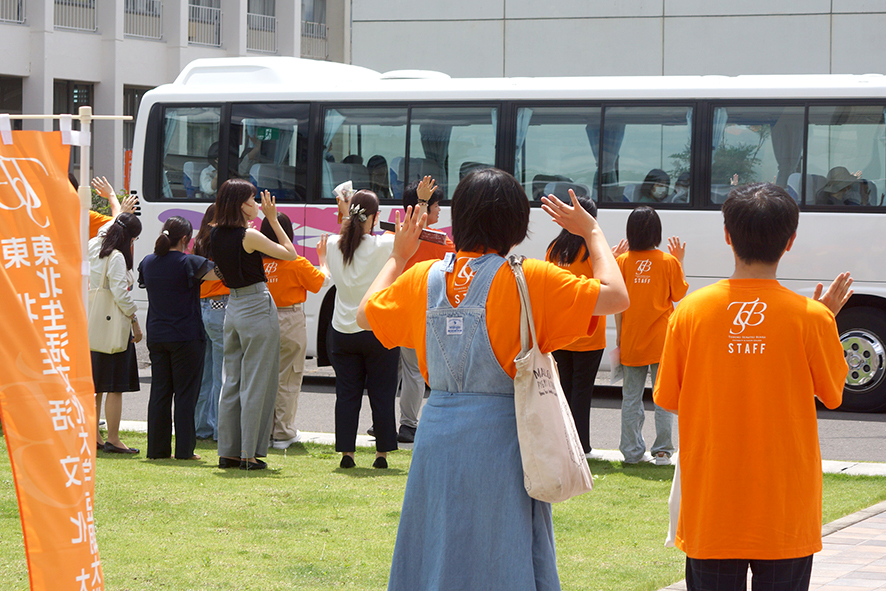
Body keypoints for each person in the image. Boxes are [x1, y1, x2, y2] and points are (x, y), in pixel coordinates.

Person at [356, 168, 629, 590]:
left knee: (439, 543)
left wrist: (398, 255)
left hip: (439, 433)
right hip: (505, 434)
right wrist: (592, 232)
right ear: (517, 225)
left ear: (458, 217)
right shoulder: (529, 278)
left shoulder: (422, 278)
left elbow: (364, 313)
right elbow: (616, 296)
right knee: (502, 548)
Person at [653, 183, 852, 591]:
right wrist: (825, 321)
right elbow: (832, 393)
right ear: (790, 241)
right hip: (784, 506)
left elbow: (668, 398)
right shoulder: (811, 318)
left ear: (727, 235)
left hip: (712, 504)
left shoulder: (689, 312)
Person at [210, 178, 297, 470]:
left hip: (233, 306)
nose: (257, 205)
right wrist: (273, 219)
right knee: (258, 381)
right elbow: (290, 253)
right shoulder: (248, 235)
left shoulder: (215, 234)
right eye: (252, 200)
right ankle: (248, 454)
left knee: (231, 381)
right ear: (240, 204)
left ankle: (229, 452)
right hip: (256, 305)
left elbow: (220, 271)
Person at [325, 189, 400, 469]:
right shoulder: (383, 245)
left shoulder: (333, 243)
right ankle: (381, 454)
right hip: (377, 328)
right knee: (382, 392)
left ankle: (347, 453)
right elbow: (408, 238)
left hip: (342, 331)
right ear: (376, 217)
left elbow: (347, 231)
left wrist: (346, 211)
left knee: (347, 393)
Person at [138, 216, 218, 460]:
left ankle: (157, 450)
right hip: (186, 335)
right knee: (185, 395)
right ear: (186, 239)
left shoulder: (148, 262)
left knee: (160, 393)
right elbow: (221, 275)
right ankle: (184, 450)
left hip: (157, 334)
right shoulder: (190, 262)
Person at [615, 206, 688, 465]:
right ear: (657, 231)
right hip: (662, 341)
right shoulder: (668, 261)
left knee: (631, 399)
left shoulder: (622, 262)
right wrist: (678, 260)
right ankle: (662, 451)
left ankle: (632, 453)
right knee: (663, 397)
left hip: (632, 340)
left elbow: (616, 304)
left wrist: (619, 340)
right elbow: (679, 295)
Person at [392, 177, 455, 443]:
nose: (440, 211)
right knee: (414, 372)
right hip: (418, 312)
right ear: (424, 209)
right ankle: (408, 424)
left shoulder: (391, 235)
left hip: (392, 308)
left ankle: (382, 420)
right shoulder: (441, 241)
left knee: (389, 371)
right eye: (436, 205)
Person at [259, 212, 329, 450]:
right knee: (287, 377)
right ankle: (282, 433)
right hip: (289, 319)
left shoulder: (254, 262)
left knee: (261, 378)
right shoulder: (296, 262)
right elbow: (321, 282)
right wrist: (323, 260)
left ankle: (262, 431)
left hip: (260, 318)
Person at [545, 194, 608, 459]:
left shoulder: (553, 249)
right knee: (582, 393)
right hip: (589, 334)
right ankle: (581, 445)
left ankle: (562, 443)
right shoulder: (593, 250)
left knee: (561, 392)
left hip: (560, 333)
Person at [89, 212, 143, 454]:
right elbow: (121, 293)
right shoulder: (117, 256)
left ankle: (94, 435)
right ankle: (113, 438)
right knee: (114, 386)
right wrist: (134, 318)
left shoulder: (92, 245)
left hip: (91, 324)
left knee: (95, 386)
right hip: (112, 329)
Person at [193, 204, 228, 441]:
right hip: (219, 305)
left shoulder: (198, 242)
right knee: (220, 373)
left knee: (203, 375)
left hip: (200, 305)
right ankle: (218, 430)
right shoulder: (221, 241)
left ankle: (200, 427)